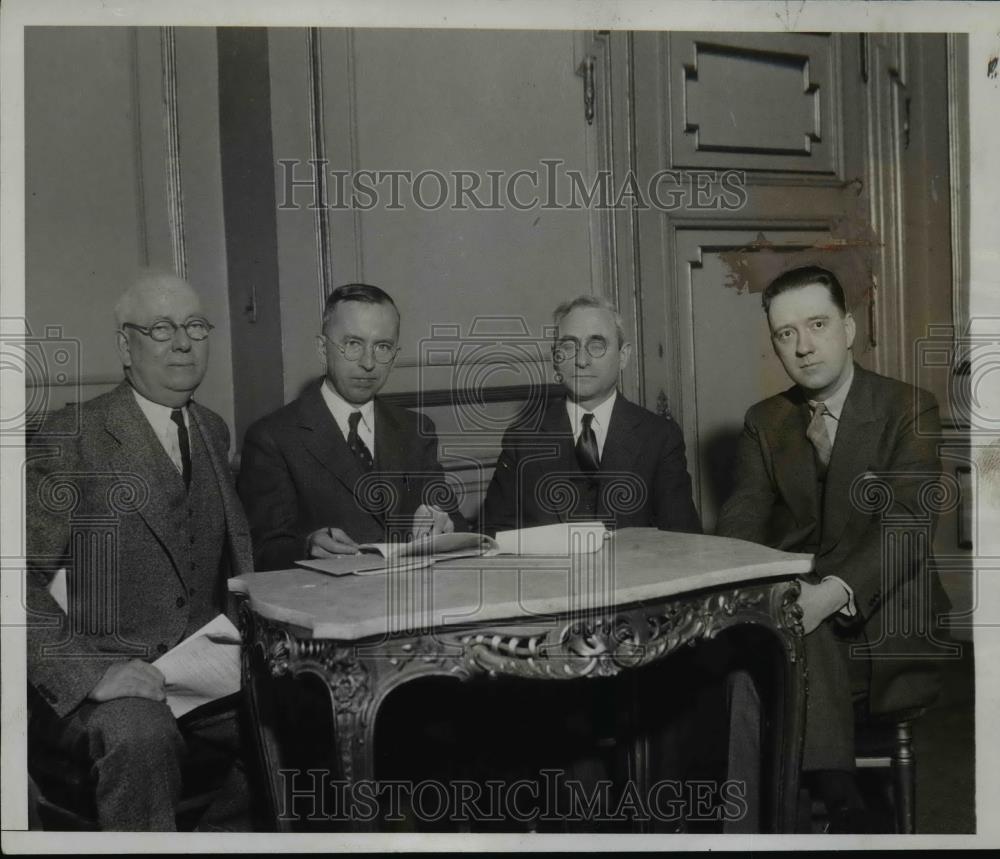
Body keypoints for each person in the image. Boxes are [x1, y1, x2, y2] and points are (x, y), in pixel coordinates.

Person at [716, 265, 949, 832]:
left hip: (882, 621)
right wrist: (759, 589)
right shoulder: (765, 421)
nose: (803, 346)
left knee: (769, 655)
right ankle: (839, 805)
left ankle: (773, 826)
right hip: (800, 618)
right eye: (786, 333)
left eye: (817, 325)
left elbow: (907, 526)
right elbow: (742, 520)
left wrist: (829, 593)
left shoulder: (908, 408)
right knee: (757, 657)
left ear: (847, 328)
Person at [26, 271, 254, 831]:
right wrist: (92, 674)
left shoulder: (212, 429)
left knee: (298, 715)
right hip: (108, 679)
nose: (183, 343)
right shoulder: (75, 435)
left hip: (203, 677)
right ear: (125, 347)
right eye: (161, 329)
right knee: (139, 737)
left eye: (195, 326)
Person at [237, 283, 465, 572]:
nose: (368, 363)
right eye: (353, 344)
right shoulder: (273, 437)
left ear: (395, 356)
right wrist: (307, 547)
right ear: (322, 349)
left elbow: (457, 526)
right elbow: (260, 552)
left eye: (382, 347)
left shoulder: (415, 429)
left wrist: (445, 527)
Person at [482, 294, 701, 535]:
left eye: (597, 346)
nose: (582, 360)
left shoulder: (659, 437)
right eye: (568, 346)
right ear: (555, 358)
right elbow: (493, 535)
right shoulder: (522, 439)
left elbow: (683, 539)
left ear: (623, 356)